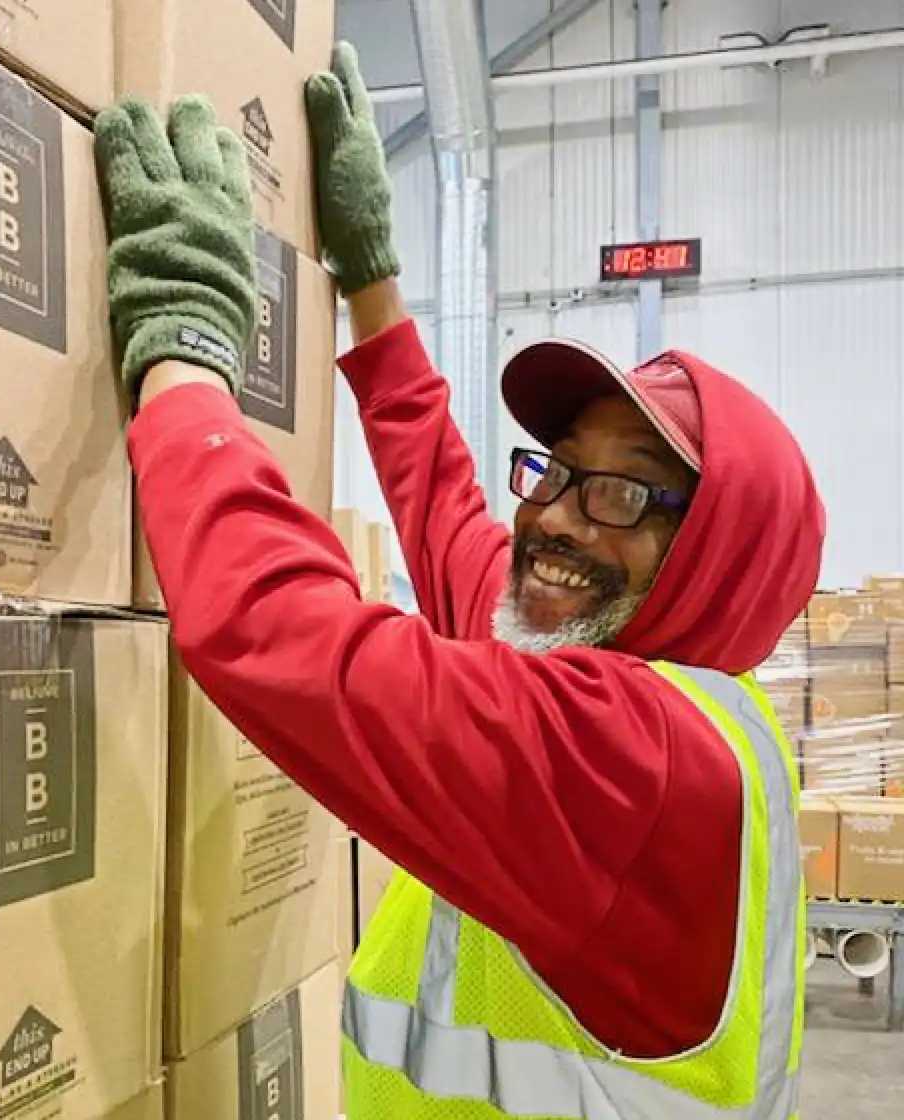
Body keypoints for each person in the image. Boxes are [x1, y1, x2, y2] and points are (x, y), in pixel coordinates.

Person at [95, 41, 824, 1120]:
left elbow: (285, 639)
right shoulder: (667, 690)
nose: (554, 518)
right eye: (557, 472)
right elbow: (455, 532)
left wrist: (187, 350)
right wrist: (372, 282)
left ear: (719, 553)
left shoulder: (637, 764)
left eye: (624, 493)